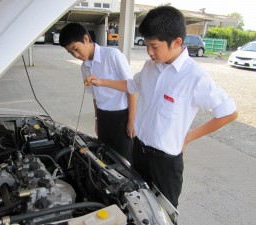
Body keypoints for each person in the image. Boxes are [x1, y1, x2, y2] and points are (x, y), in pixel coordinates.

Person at [85, 6, 238, 209]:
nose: (149, 52)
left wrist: (188, 137)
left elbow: (229, 113)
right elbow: (131, 85)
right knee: (137, 204)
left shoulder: (194, 77)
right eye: (147, 45)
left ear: (176, 42)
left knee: (163, 214)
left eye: (154, 46)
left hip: (165, 164)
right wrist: (101, 82)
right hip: (139, 151)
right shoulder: (150, 67)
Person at [59, 23, 136, 162]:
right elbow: (95, 96)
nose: (76, 55)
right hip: (103, 116)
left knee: (124, 161)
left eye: (76, 49)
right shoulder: (84, 67)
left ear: (86, 39)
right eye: (71, 53)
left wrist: (131, 121)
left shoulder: (113, 56)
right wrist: (97, 120)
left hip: (121, 117)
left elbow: (132, 88)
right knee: (105, 157)